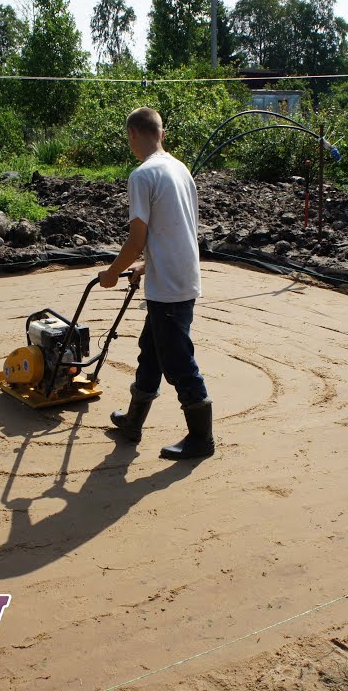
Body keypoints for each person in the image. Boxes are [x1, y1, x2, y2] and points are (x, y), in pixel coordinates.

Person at [98, 107, 214, 460]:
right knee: (150, 351)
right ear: (161, 133)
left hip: (170, 289)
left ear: (133, 134)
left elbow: (137, 239)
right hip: (181, 276)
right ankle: (133, 421)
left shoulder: (142, 175)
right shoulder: (180, 169)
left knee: (178, 363)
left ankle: (201, 440)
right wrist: (147, 266)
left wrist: (112, 273)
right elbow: (179, 230)